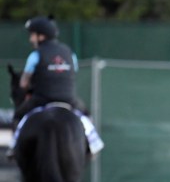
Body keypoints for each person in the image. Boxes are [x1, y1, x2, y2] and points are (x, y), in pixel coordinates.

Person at [7, 16, 103, 159]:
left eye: (32, 35)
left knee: (18, 116)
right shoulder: (69, 53)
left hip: (42, 99)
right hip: (69, 99)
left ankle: (14, 147)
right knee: (86, 115)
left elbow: (23, 84)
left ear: (41, 36)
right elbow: (72, 72)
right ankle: (92, 146)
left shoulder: (35, 55)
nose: (31, 39)